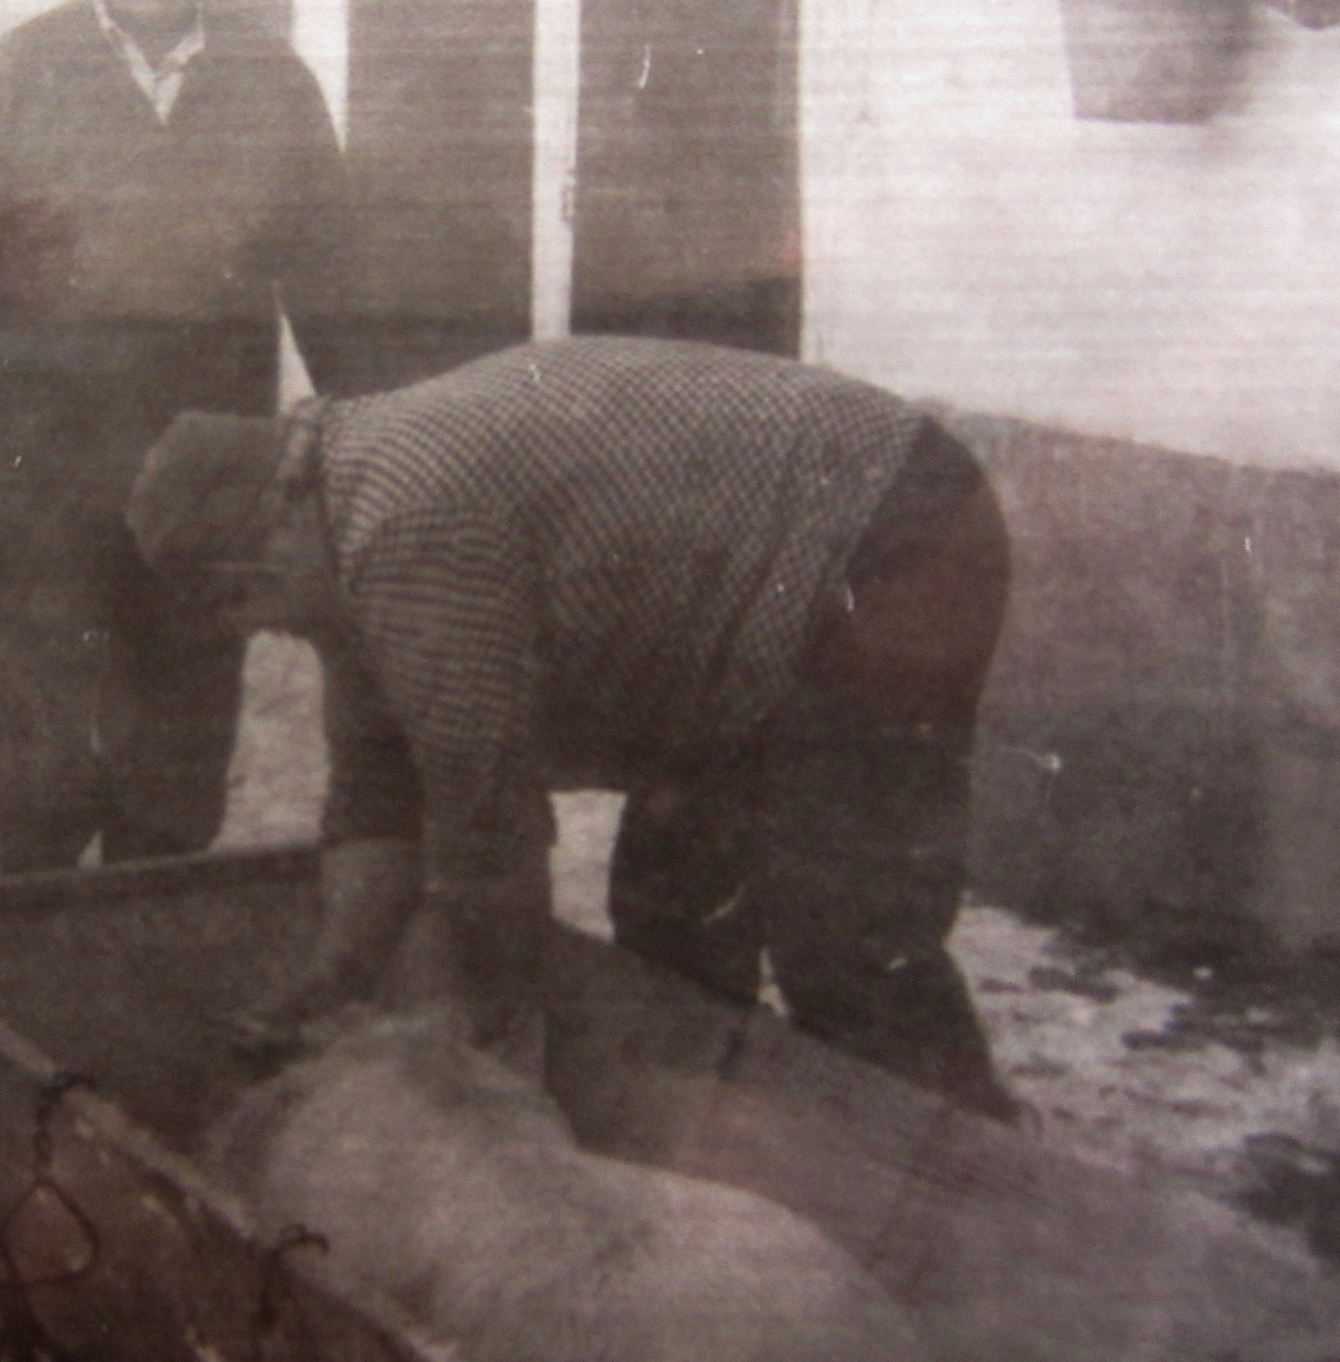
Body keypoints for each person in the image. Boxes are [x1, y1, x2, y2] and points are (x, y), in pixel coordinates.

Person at [125, 336, 1021, 1123]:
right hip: (756, 600)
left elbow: (486, 825)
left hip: (891, 530)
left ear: (271, 531)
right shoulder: (344, 519)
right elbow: (375, 787)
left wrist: (476, 1030)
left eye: (244, 601)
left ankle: (984, 1186)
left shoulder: (402, 525)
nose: (264, 628)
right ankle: (739, 1153)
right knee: (670, 920)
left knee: (843, 932)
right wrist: (332, 982)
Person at [0, 0, 358, 875]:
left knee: (179, 757)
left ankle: (147, 927)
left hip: (203, 481)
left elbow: (333, 287)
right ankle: (28, 929)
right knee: (32, 754)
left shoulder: (274, 85)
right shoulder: (11, 78)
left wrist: (379, 440)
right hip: (32, 478)